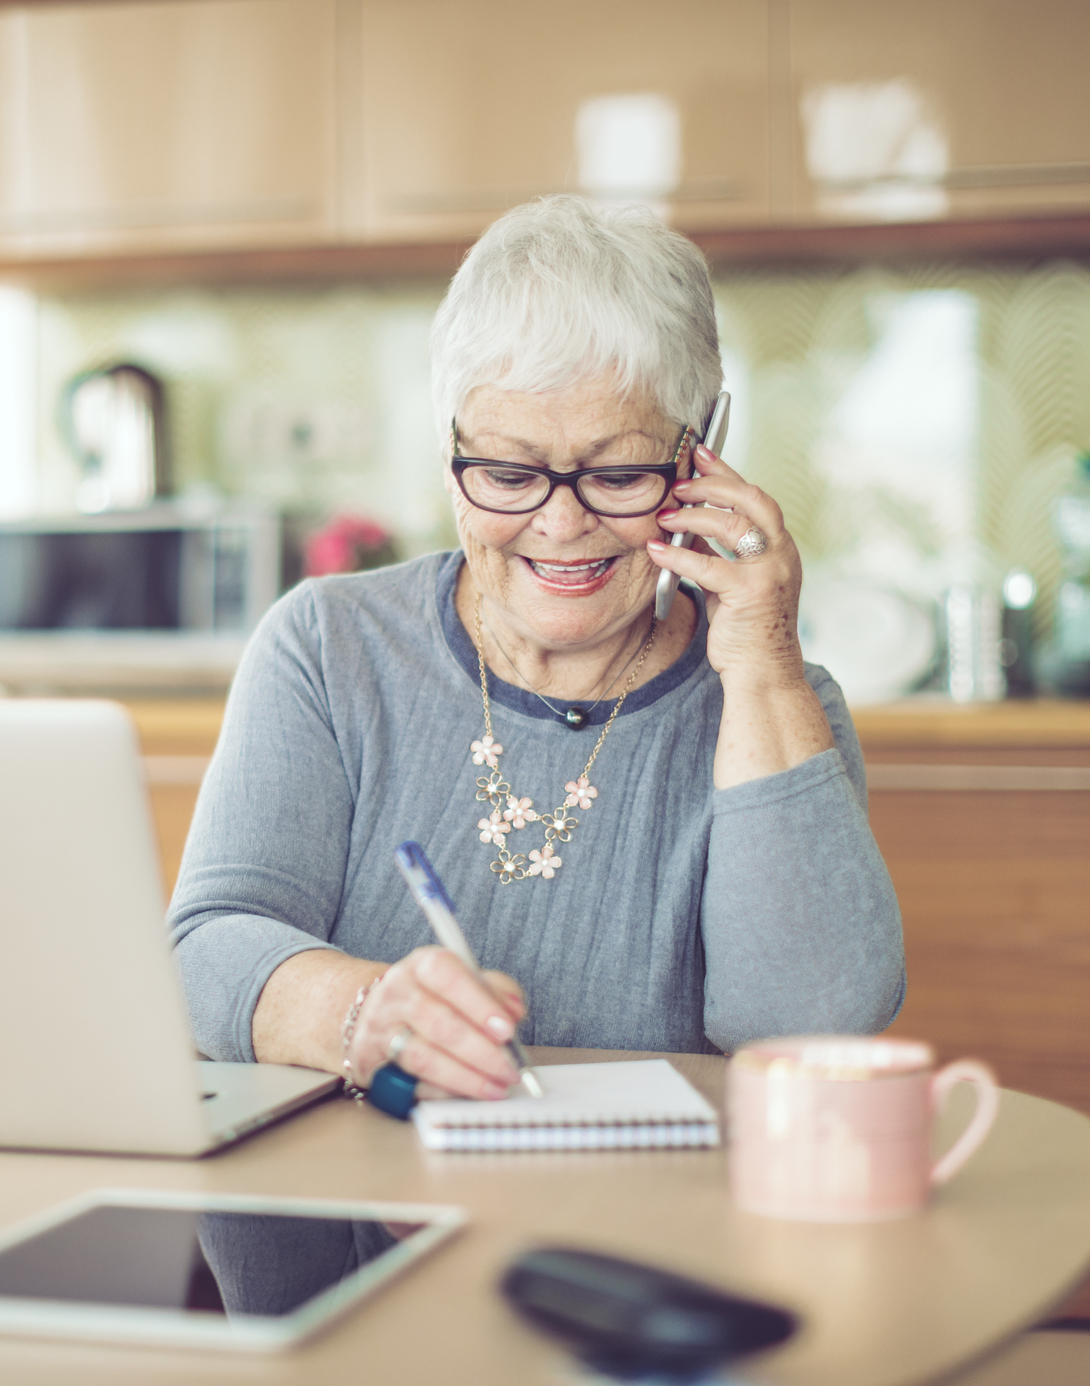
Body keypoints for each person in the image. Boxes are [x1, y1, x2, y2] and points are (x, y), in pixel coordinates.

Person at [168, 196, 903, 1103]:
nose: (560, 524)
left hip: (646, 1227)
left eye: (619, 473)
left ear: (702, 451)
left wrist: (758, 667)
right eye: (509, 474)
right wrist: (363, 1013)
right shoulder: (328, 646)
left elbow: (810, 1030)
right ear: (450, 456)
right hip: (354, 1215)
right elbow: (203, 946)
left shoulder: (778, 701)